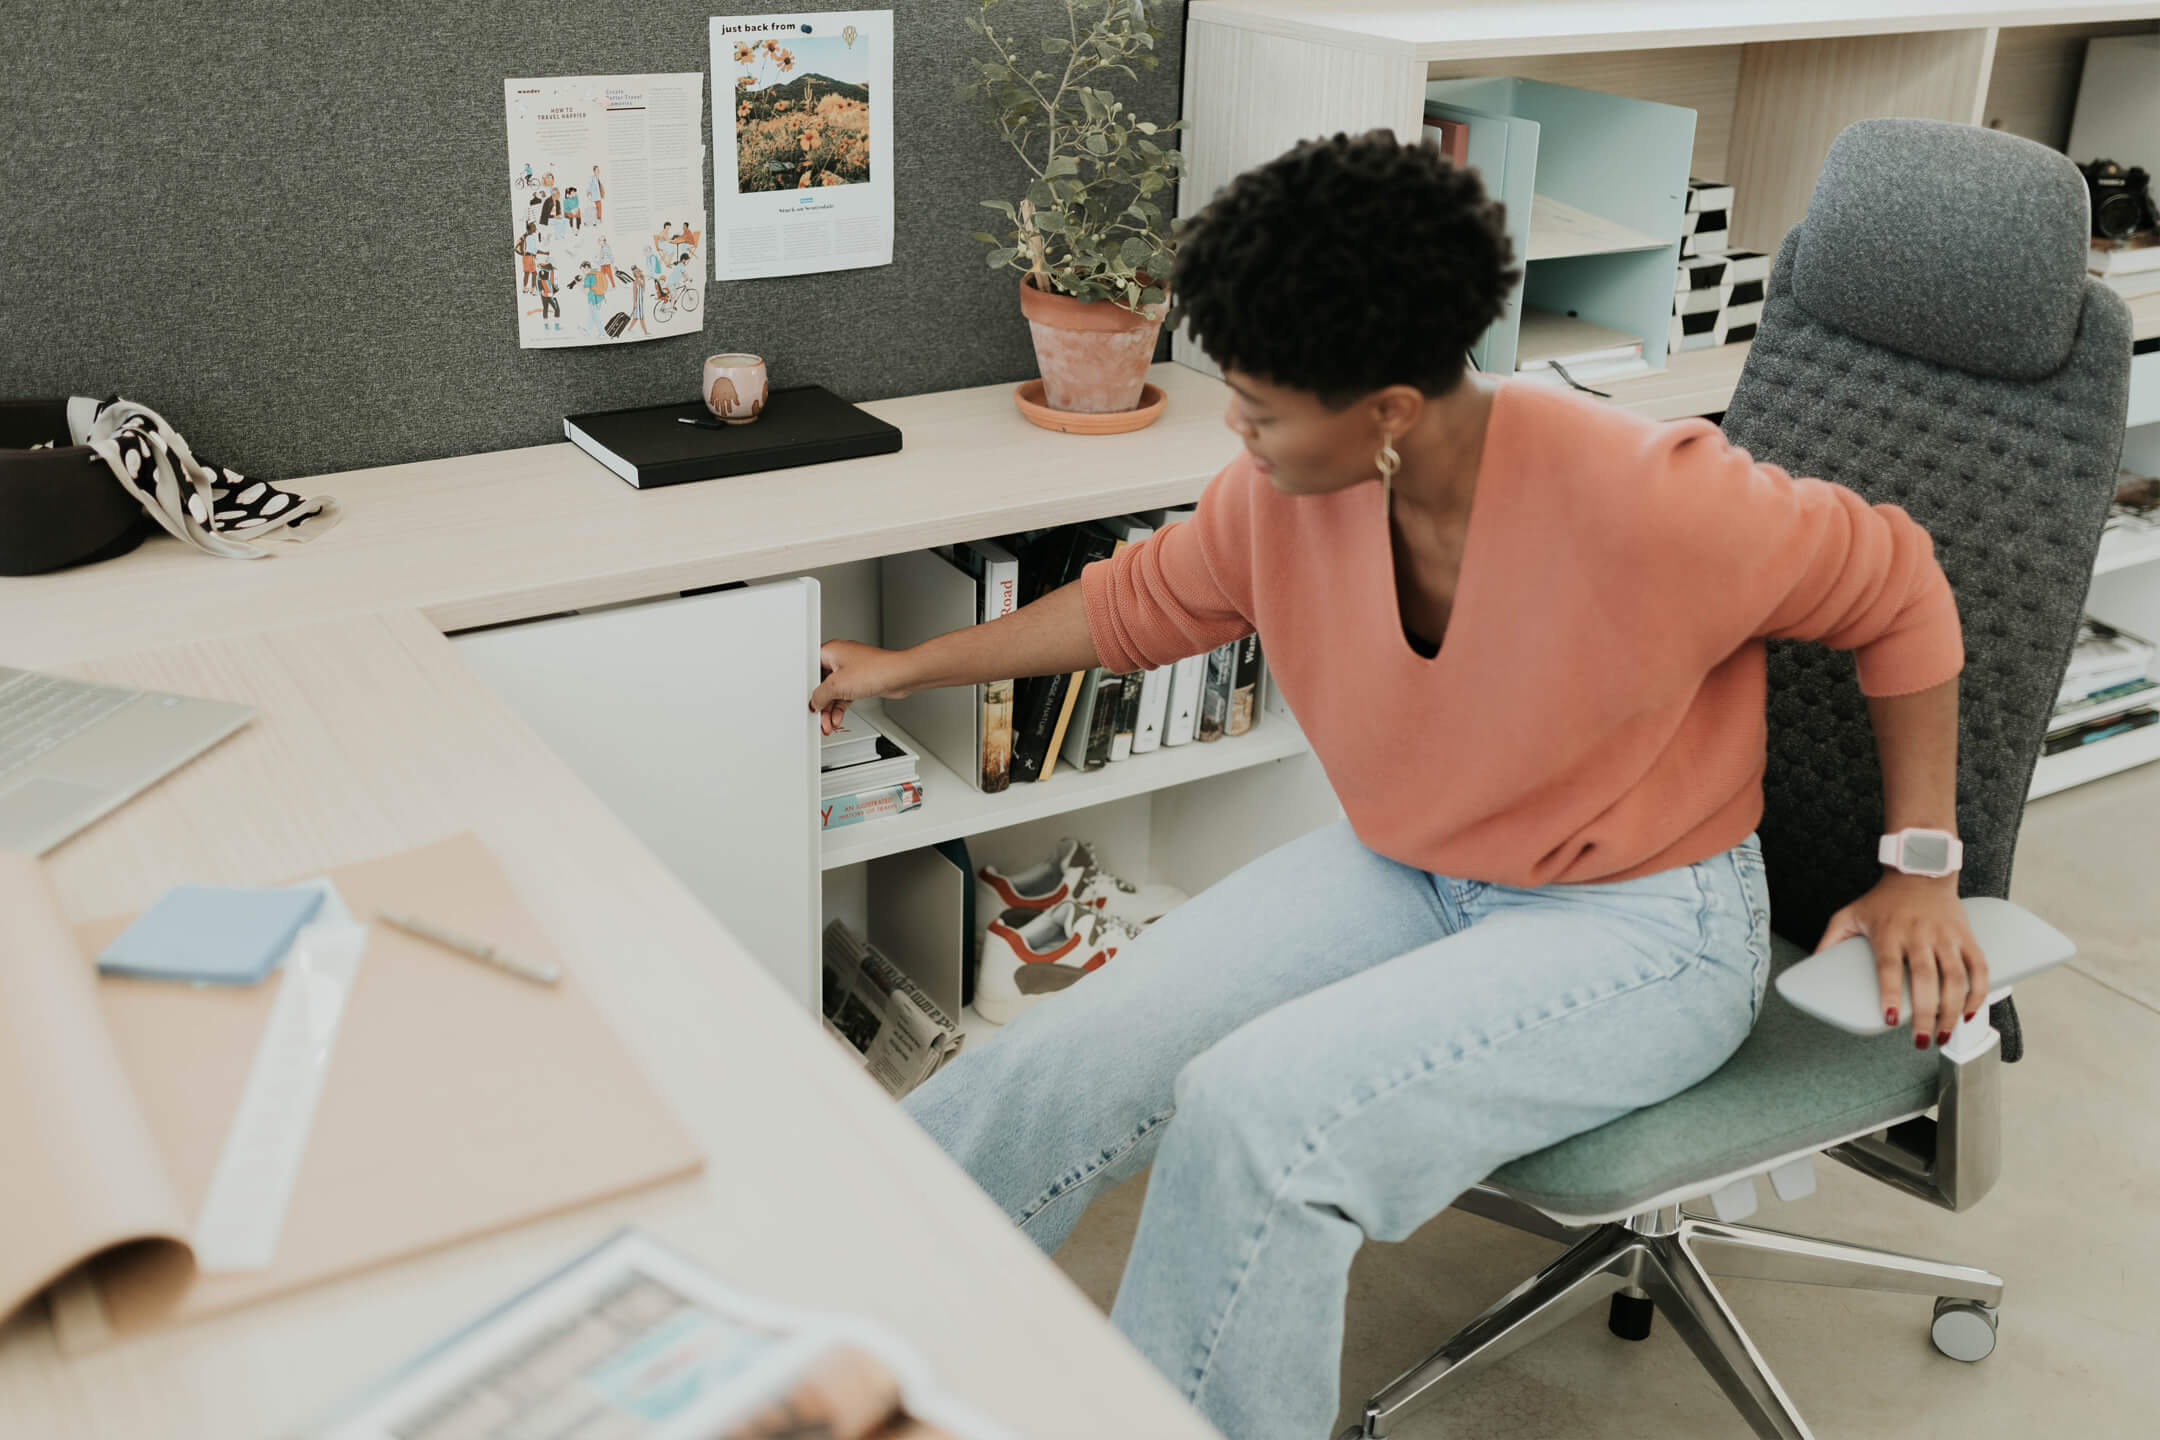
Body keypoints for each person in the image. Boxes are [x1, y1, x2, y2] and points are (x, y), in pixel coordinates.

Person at [806, 132, 1986, 1440]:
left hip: (1646, 918)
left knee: (1259, 1123)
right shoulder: (1282, 492)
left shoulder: (1651, 503)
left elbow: (1902, 587)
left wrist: (1919, 866)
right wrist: (908, 665)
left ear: (1389, 416)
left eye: (1259, 407)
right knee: (1066, 1059)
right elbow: (1138, 604)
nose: (1238, 434)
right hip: (1419, 865)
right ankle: (816, 1355)